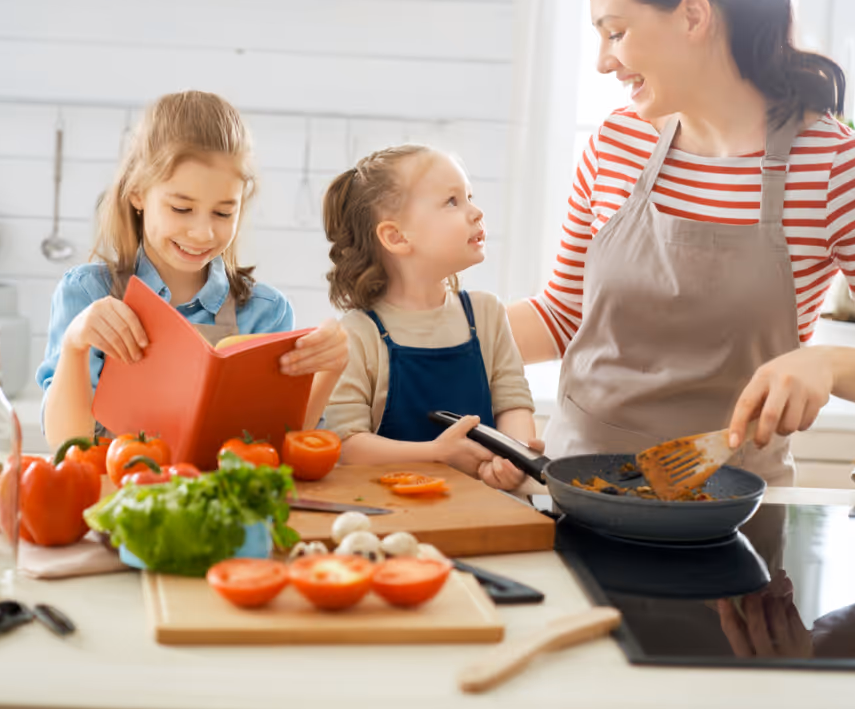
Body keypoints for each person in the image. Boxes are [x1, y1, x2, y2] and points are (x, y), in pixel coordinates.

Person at [506, 0, 855, 484]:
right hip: (573, 491)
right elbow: (562, 317)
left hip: (731, 515)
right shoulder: (617, 143)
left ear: (692, 16)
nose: (603, 61)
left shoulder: (838, 168)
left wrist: (829, 364)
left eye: (616, 33)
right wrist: (415, 333)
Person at [38, 91, 348, 449]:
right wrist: (76, 344)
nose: (203, 233)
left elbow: (281, 445)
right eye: (182, 209)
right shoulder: (89, 293)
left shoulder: (266, 312)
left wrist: (330, 368)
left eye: (223, 213)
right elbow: (66, 445)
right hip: (116, 500)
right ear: (138, 193)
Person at [320, 145, 540, 490]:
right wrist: (436, 453)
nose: (476, 212)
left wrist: (514, 457)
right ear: (396, 236)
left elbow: (513, 403)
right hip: (396, 518)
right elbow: (345, 446)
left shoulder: (487, 314)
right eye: (452, 201)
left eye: (469, 196)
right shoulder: (358, 335)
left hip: (490, 512)